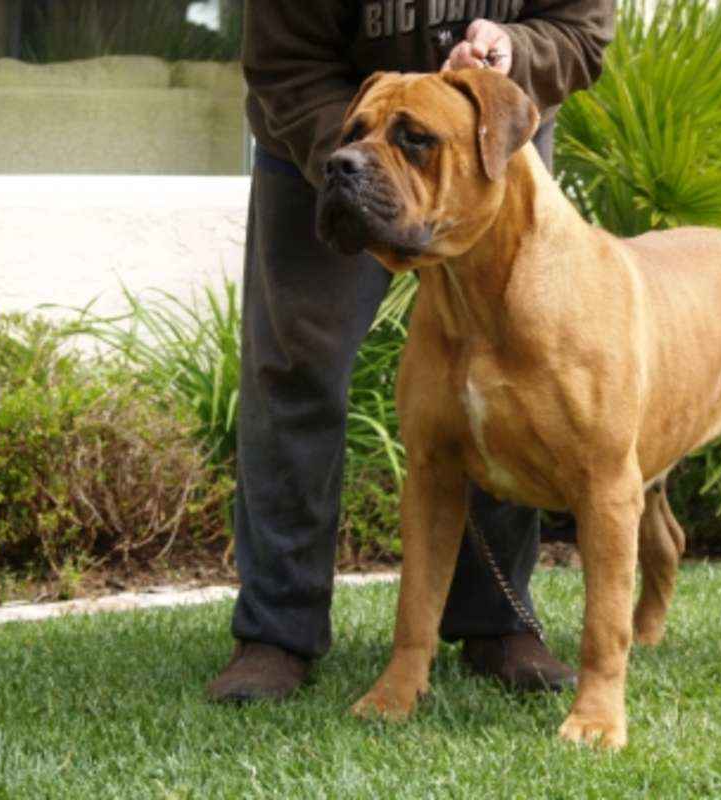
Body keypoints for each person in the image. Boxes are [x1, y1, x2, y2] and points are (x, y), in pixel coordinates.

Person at [207, 1, 615, 704]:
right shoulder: (346, 143)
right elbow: (284, 64)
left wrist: (512, 52)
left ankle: (497, 622)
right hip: (324, 136)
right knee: (296, 369)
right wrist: (365, 162)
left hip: (491, 134)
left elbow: (581, 31)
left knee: (517, 367)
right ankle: (277, 632)